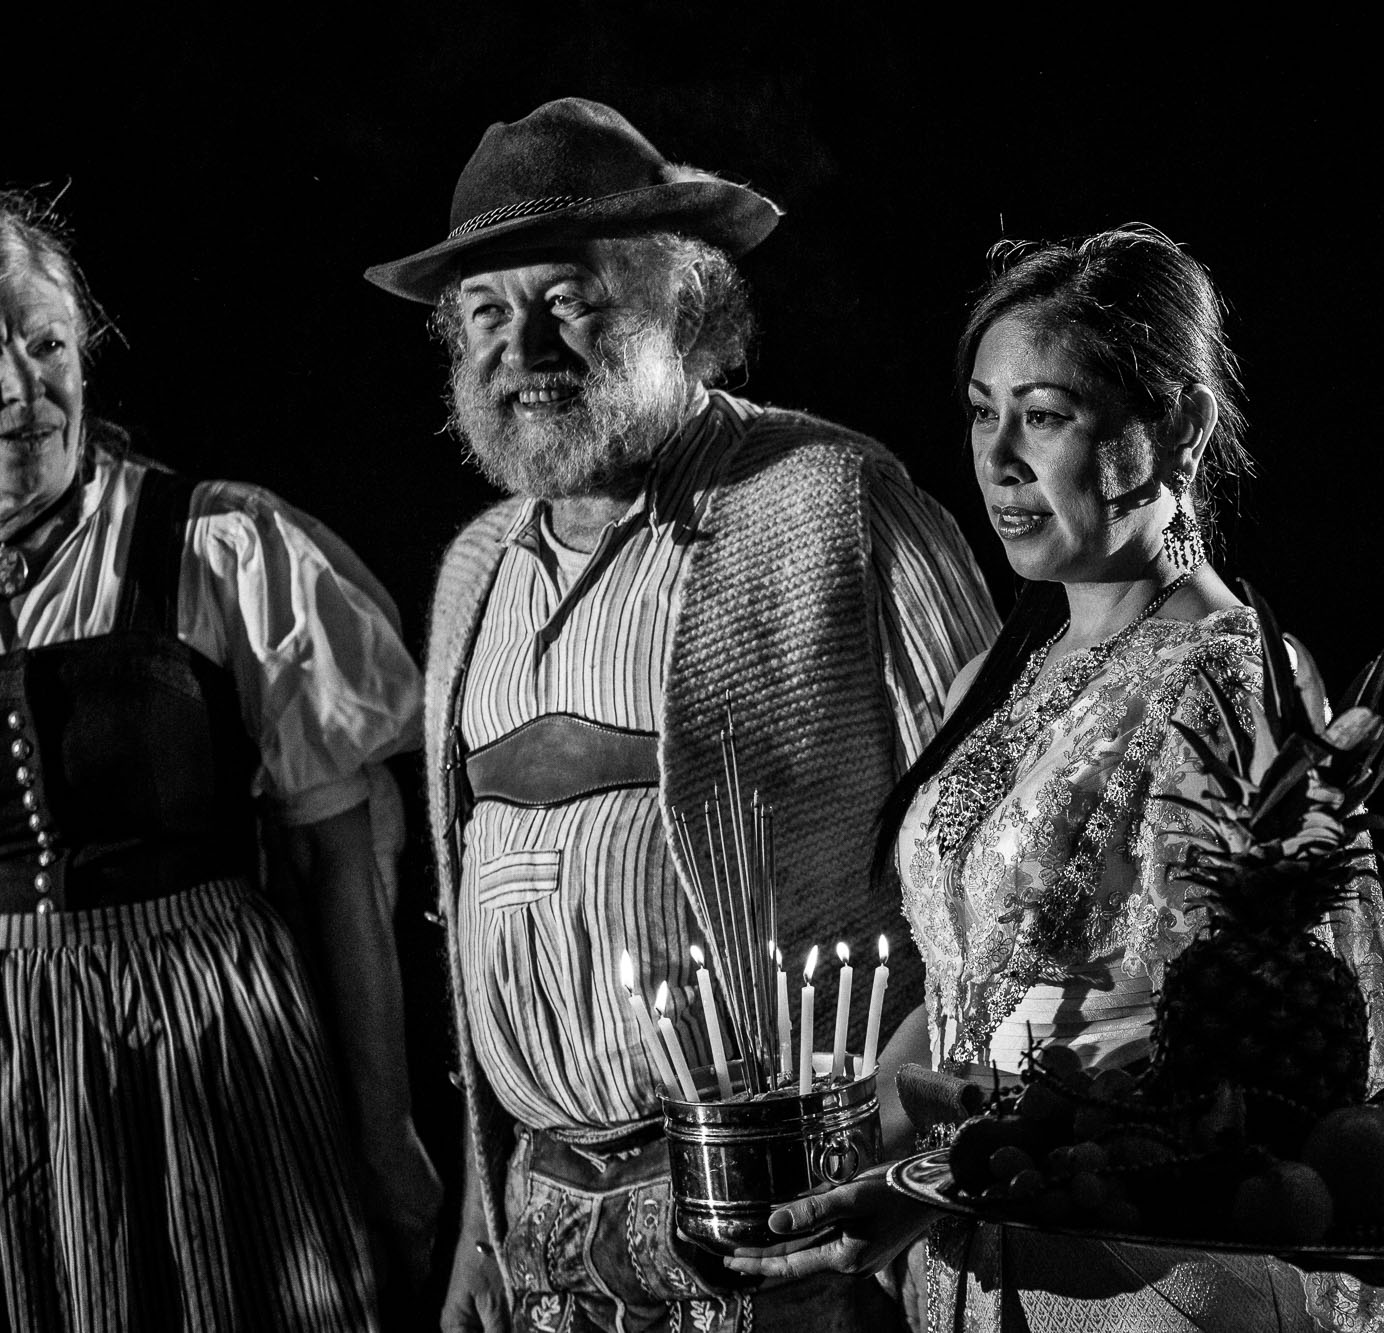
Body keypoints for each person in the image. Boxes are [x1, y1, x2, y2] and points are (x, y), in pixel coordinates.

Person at [727, 227, 1384, 1333]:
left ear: (1180, 428)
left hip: (1143, 1268)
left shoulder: (1233, 680)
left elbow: (1250, 1073)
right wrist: (851, 1138)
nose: (998, 458)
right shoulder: (999, 672)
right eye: (982, 412)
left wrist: (958, 1157)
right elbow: (965, 986)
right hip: (973, 1244)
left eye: (1045, 415)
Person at [361, 97, 997, 1333]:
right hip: (546, 1233)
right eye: (485, 312)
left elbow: (1001, 868)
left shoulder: (833, 502)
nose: (522, 345)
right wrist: (484, 1223)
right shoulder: (474, 568)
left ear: (686, 306)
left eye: (568, 299)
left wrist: (892, 1164)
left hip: (798, 1233)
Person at [0, 193, 439, 1329]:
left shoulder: (221, 548)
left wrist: (386, 1132)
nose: (23, 386)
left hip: (204, 1058)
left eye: (49, 345)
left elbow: (343, 872)